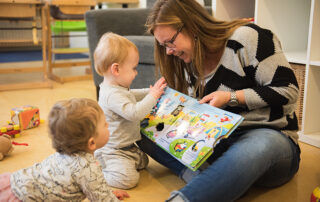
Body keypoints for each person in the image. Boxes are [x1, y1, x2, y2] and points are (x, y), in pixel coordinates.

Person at [136, 0, 301, 201]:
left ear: (192, 26)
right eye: (163, 46)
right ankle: (212, 181)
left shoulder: (246, 37)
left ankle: (193, 194)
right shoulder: (187, 60)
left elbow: (289, 89)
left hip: (270, 139)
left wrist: (232, 97)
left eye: (170, 42)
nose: (169, 51)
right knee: (142, 126)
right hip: (218, 142)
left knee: (259, 145)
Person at [0, 98, 129, 201]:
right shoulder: (89, 168)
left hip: (15, 183)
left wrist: (105, 192)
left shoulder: (64, 152)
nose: (108, 126)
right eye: (105, 125)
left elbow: (96, 190)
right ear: (92, 143)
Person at [93, 32, 167, 189]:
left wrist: (149, 92)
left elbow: (131, 95)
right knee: (129, 180)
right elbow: (134, 113)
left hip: (127, 146)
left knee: (143, 162)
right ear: (116, 70)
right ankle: (96, 173)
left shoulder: (117, 88)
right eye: (134, 68)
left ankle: (115, 164)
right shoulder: (111, 95)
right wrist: (153, 96)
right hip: (113, 150)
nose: (136, 72)